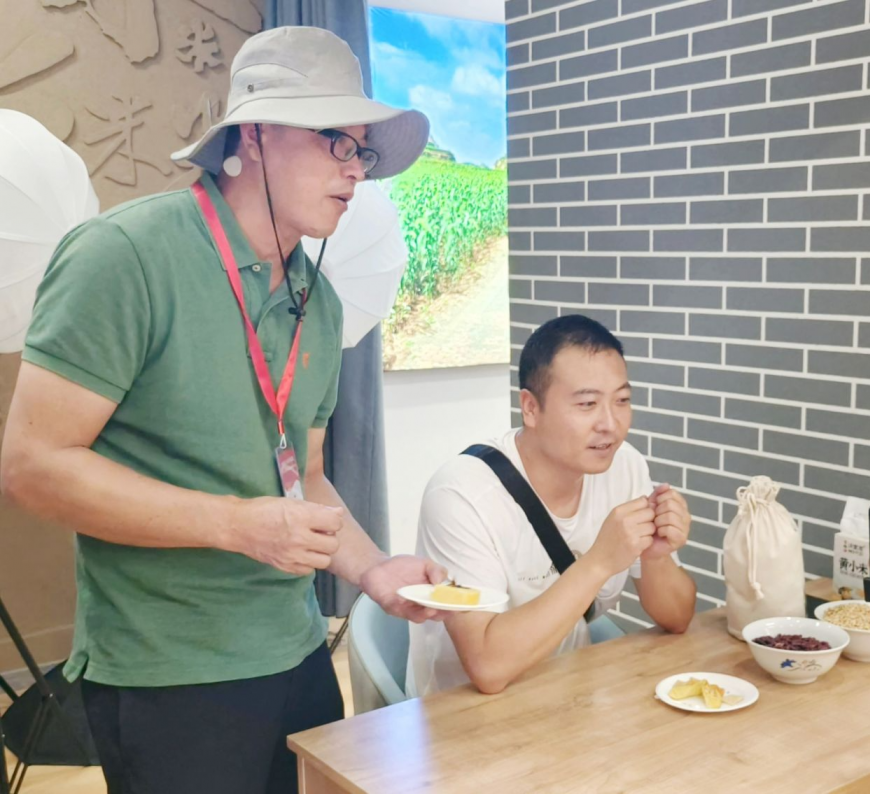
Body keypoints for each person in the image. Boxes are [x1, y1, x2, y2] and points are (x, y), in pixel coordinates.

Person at [0, 26, 447, 794]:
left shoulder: (319, 300)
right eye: (336, 141)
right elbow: (32, 467)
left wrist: (374, 570)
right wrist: (239, 524)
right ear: (257, 133)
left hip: (299, 653)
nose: (356, 169)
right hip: (167, 673)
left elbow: (306, 474)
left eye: (363, 152)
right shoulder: (125, 255)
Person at [407, 315, 697, 696]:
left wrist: (656, 556)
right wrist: (599, 561)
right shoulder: (461, 495)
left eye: (622, 401)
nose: (611, 424)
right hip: (463, 713)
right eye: (588, 404)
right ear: (530, 408)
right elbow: (487, 667)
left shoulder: (624, 466)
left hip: (569, 695)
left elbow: (677, 618)